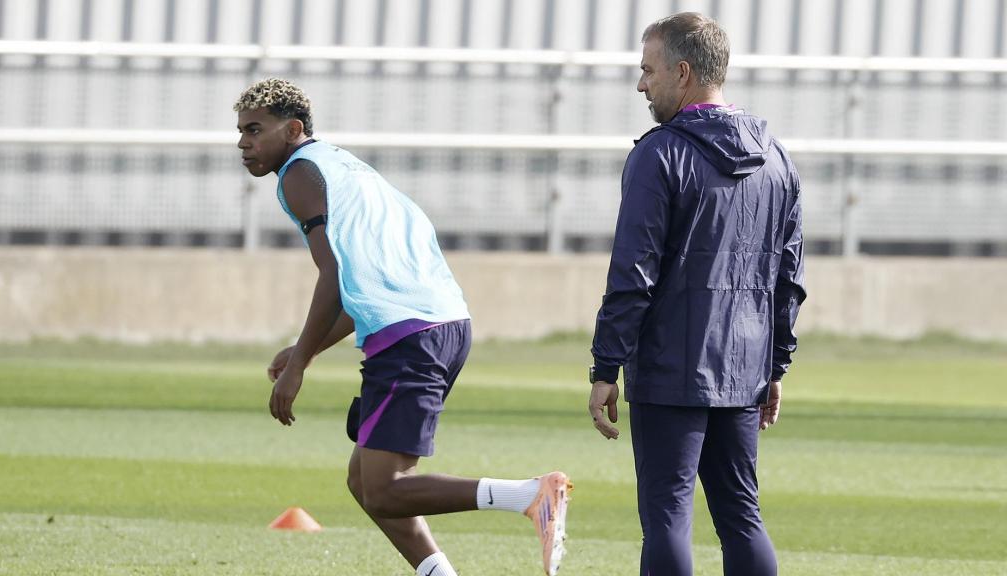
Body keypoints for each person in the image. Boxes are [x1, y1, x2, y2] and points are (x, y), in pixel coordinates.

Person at [234, 78, 571, 576]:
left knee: (386, 489)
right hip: (444, 323)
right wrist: (308, 348)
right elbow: (360, 287)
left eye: (254, 130)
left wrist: (299, 363)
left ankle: (528, 495)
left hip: (410, 337)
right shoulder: (344, 167)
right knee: (364, 482)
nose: (243, 143)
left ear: (293, 130)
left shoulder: (298, 175)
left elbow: (333, 275)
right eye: (241, 131)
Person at [586, 12, 806, 576]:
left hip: (669, 368)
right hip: (743, 369)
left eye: (648, 70)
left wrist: (605, 366)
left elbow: (632, 274)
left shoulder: (659, 153)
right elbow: (788, 279)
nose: (641, 85)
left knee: (667, 517)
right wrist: (774, 365)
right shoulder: (777, 158)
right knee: (742, 516)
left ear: (682, 73)